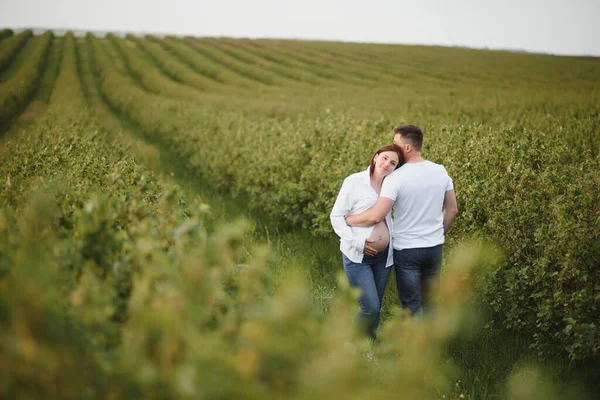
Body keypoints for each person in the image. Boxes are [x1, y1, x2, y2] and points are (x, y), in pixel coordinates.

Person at [345, 125, 458, 315]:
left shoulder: (396, 177)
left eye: (396, 144)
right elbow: (452, 209)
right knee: (430, 302)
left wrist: (349, 219)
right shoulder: (440, 171)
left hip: (407, 251)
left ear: (407, 148)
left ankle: (414, 343)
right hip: (434, 247)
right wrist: (437, 233)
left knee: (411, 304)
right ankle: (431, 342)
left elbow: (376, 215)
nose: (393, 147)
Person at [330, 144, 404, 340]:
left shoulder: (393, 186)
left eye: (393, 163)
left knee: (375, 308)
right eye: (385, 158)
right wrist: (357, 242)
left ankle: (367, 348)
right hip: (357, 256)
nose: (387, 164)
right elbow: (336, 216)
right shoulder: (354, 181)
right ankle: (347, 344)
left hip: (383, 258)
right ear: (375, 157)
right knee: (369, 306)